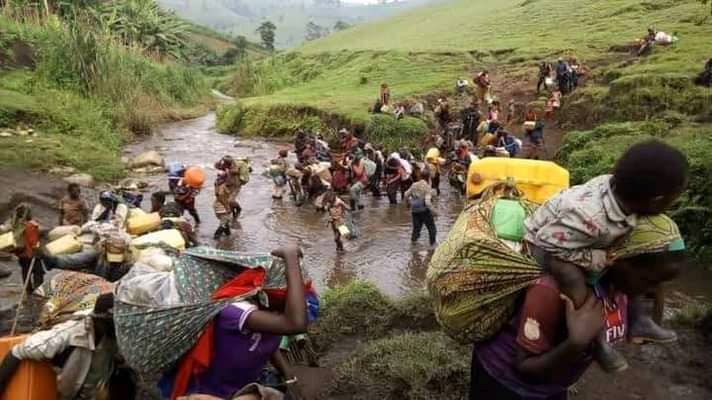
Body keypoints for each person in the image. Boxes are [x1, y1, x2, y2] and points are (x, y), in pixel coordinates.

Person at [471, 220, 687, 399]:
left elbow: (644, 333)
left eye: (661, 283)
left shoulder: (624, 289)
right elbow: (524, 367)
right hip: (506, 384)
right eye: (649, 280)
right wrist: (575, 344)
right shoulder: (550, 291)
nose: (652, 290)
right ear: (616, 260)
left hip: (553, 386)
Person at [524, 139, 689, 372]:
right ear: (656, 201)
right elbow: (548, 243)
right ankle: (596, 338)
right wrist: (597, 259)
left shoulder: (625, 198)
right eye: (675, 198)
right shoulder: (589, 217)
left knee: (639, 261)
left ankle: (639, 319)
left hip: (578, 237)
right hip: (544, 245)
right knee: (568, 273)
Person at [0, 293, 137, 400]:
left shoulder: (113, 337)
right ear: (99, 321)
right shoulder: (66, 335)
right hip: (64, 393)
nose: (119, 328)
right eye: (114, 323)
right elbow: (18, 351)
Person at [0, 204, 39, 283]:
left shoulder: (13, 222)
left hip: (20, 250)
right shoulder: (30, 225)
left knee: (26, 270)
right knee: (34, 270)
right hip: (25, 251)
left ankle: (29, 289)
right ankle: (31, 288)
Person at [405, 169, 437, 247]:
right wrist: (434, 212)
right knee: (432, 228)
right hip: (424, 211)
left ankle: (413, 245)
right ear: (428, 178)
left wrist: (408, 204)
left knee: (416, 229)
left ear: (420, 176)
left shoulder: (414, 185)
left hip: (414, 210)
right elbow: (427, 202)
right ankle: (433, 245)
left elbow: (406, 194)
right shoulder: (427, 187)